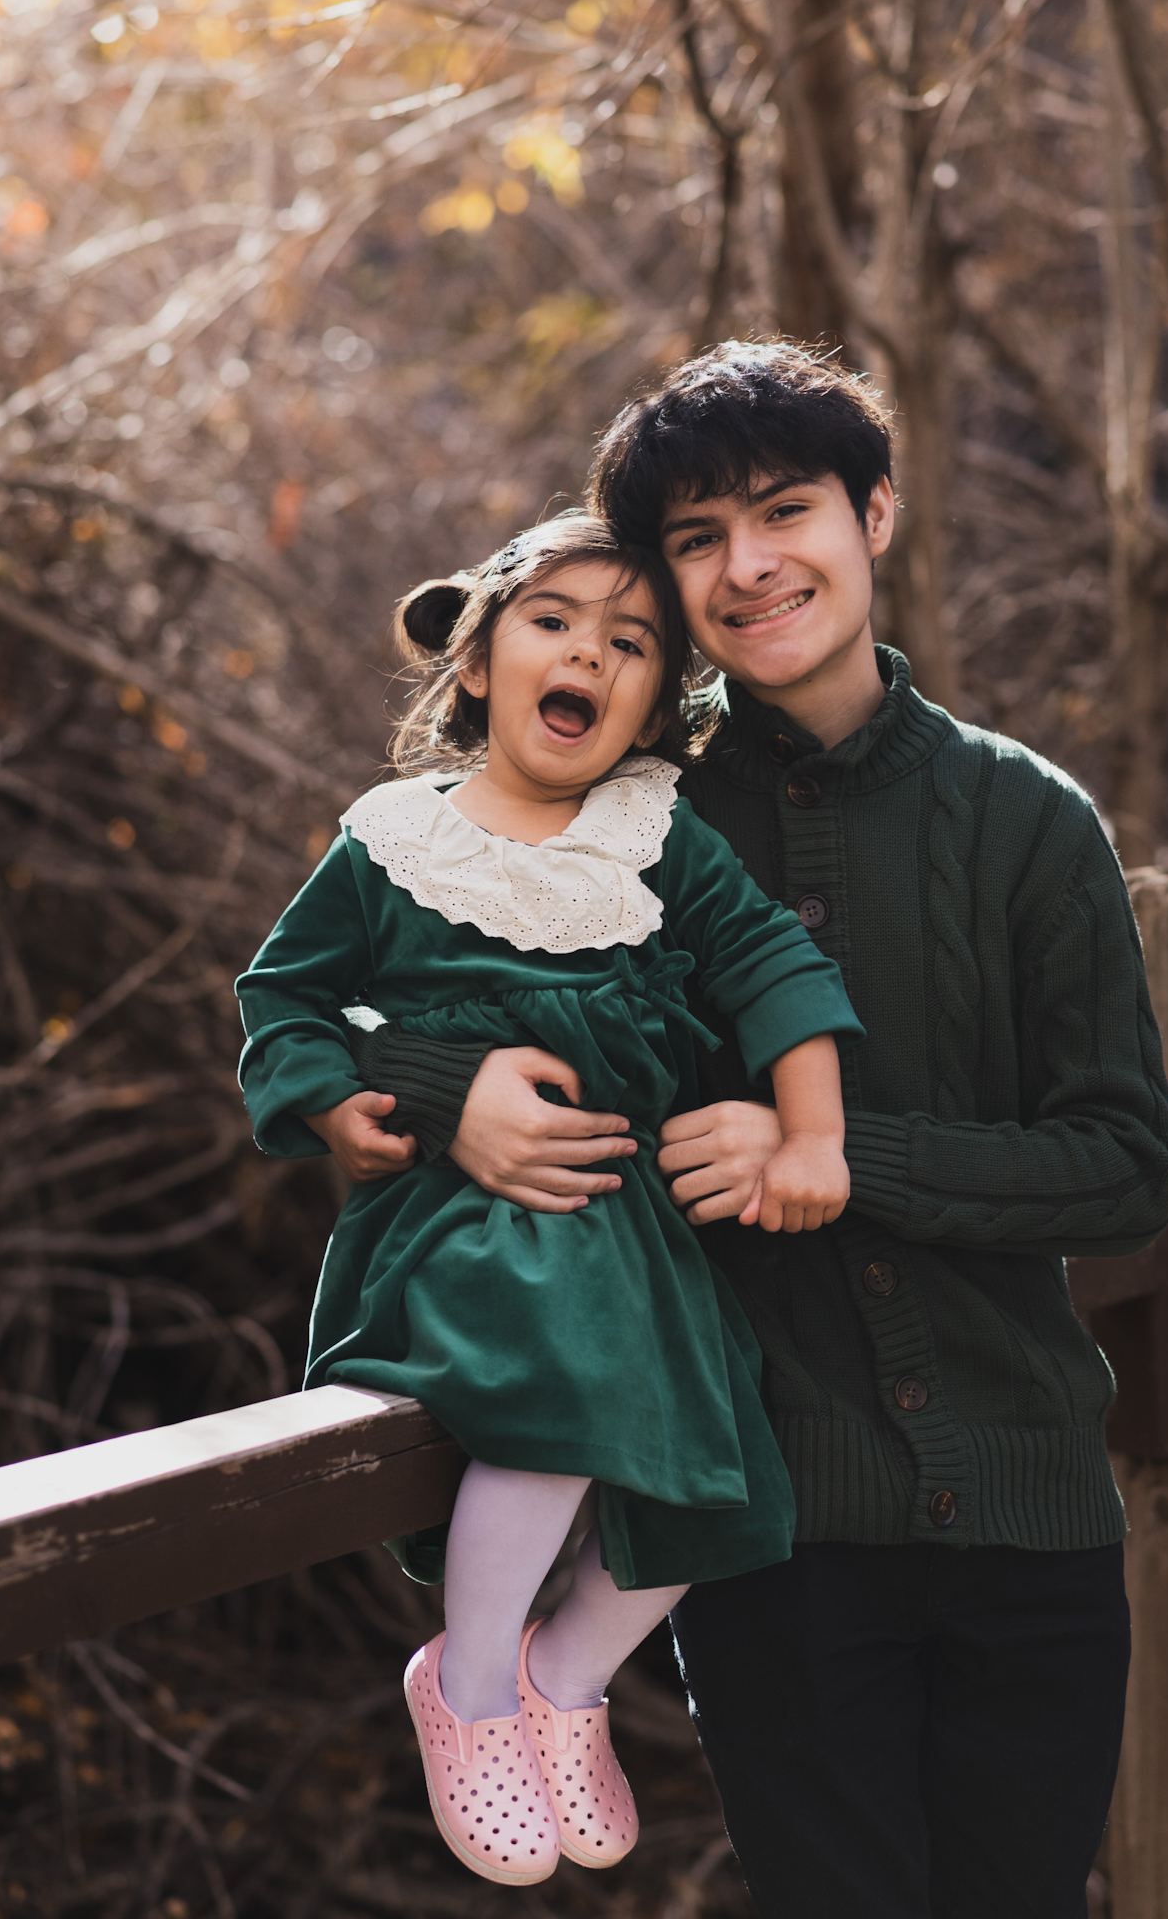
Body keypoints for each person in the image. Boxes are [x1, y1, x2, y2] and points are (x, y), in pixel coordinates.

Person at [328, 344, 1168, 1918]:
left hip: (1031, 1519)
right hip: (773, 1538)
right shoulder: (616, 814)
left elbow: (1124, 1173)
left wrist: (843, 1160)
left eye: (786, 512)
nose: (747, 567)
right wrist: (458, 1096)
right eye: (697, 539)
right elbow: (368, 991)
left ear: (873, 514)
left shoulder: (1027, 820)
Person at [234, 512, 864, 1890]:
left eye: (630, 643)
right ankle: (467, 1685)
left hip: (630, 1226)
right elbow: (286, 999)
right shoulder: (395, 844)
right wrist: (337, 1102)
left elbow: (771, 967)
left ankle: (564, 1678)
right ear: (476, 666)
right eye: (555, 623)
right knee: (561, 1376)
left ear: (656, 701)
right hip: (457, 1225)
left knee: (727, 1453)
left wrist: (811, 1129)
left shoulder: (657, 836)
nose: (590, 653)